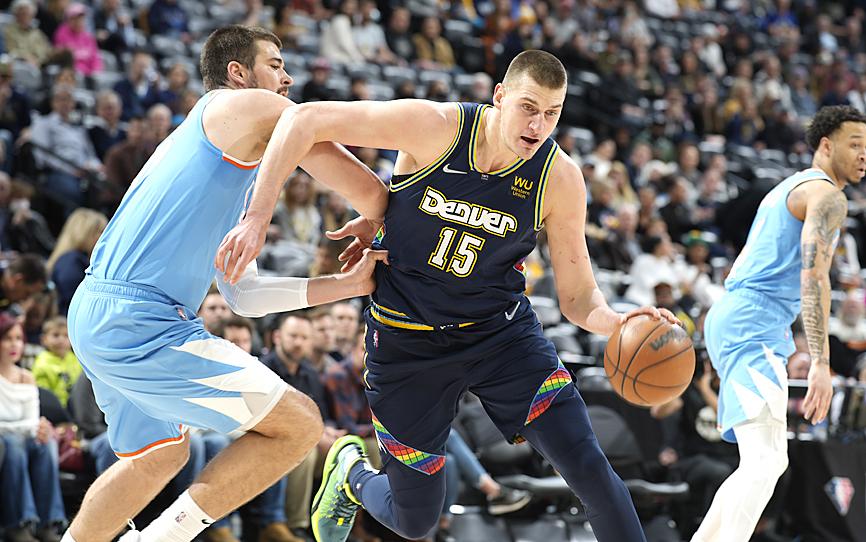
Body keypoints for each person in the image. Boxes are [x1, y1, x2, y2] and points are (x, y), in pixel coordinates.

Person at [216, 49, 678, 542]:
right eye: (528, 107)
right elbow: (302, 119)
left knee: (588, 467)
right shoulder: (435, 128)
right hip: (407, 341)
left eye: (552, 113)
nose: (538, 125)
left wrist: (618, 323)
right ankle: (352, 473)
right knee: (414, 521)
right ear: (499, 96)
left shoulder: (558, 177)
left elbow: (578, 297)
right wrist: (257, 218)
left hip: (501, 337)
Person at [62, 25, 388, 542]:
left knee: (159, 456)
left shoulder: (224, 157)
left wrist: (345, 285)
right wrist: (389, 207)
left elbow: (243, 295)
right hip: (141, 318)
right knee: (300, 425)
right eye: (275, 65)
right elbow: (360, 182)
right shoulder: (237, 106)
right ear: (238, 73)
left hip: (99, 312)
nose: (287, 77)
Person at [693, 105, 866, 542]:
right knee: (766, 462)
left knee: (763, 462)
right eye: (855, 144)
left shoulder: (793, 185)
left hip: (745, 317)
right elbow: (814, 276)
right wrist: (821, 363)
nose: (864, 155)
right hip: (753, 322)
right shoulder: (827, 195)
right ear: (825, 145)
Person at [0, 311, 66, 542]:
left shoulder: (27, 377)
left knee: (46, 443)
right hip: (7, 440)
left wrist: (40, 429)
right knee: (14, 443)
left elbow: (32, 420)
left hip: (18, 436)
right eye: (7, 338)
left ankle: (48, 523)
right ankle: (18, 524)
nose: (14, 344)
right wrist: (30, 427)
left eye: (18, 338)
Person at [32, 316, 81, 407]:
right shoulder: (41, 364)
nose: (61, 340)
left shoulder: (76, 359)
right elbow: (44, 396)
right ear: (44, 339)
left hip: (78, 406)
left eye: (66, 336)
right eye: (56, 335)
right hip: (54, 409)